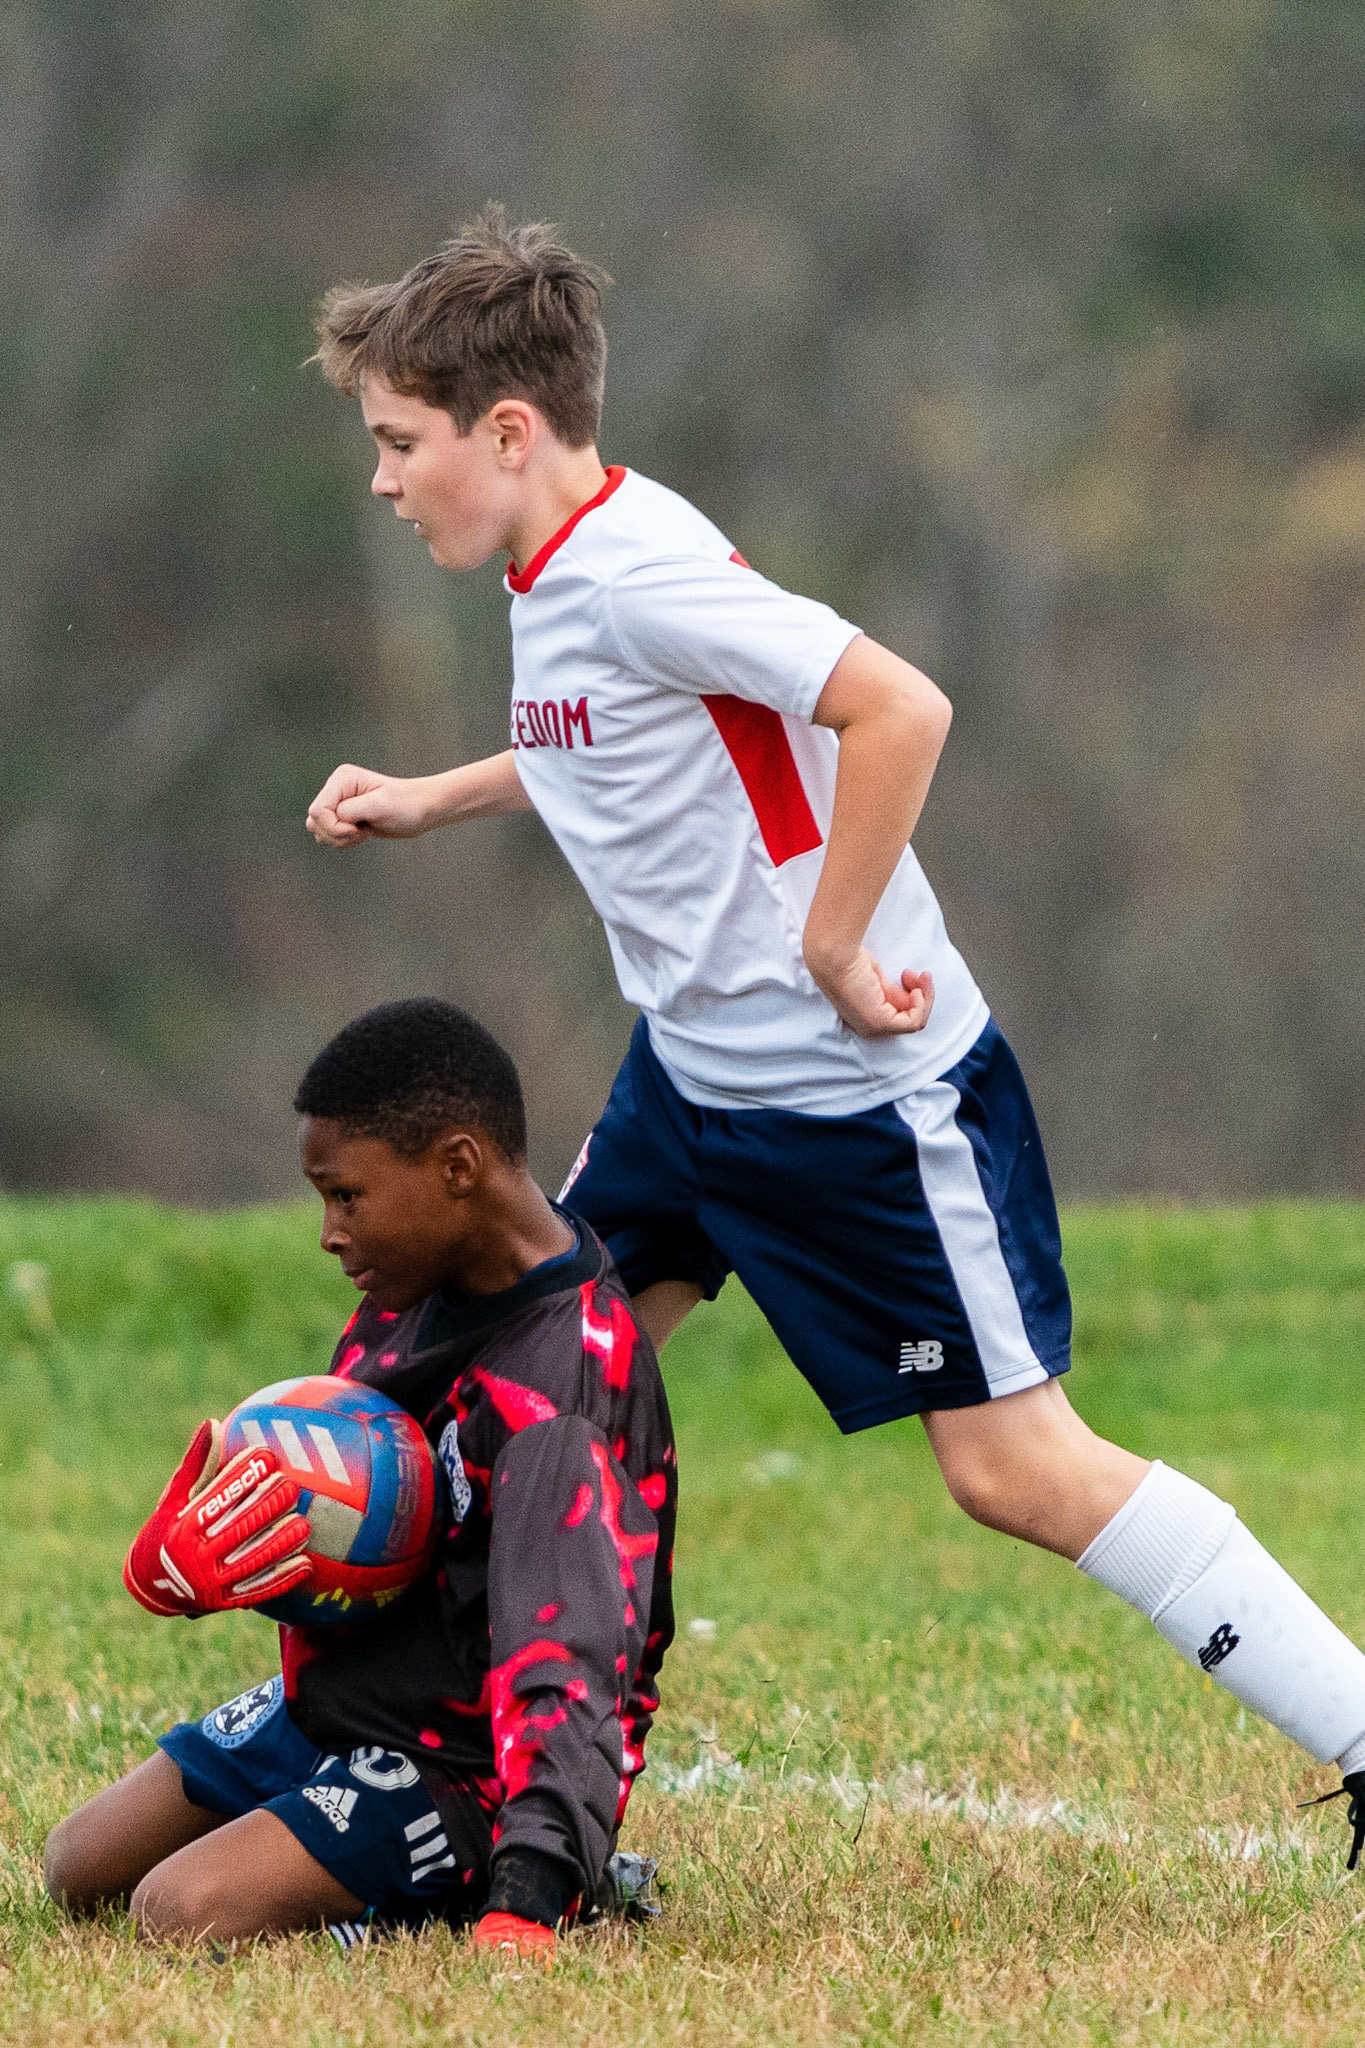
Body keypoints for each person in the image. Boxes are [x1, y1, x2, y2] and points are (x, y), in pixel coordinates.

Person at [304, 205, 1365, 1860]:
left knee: (1018, 1471)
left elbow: (898, 704)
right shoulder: (556, 557)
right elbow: (614, 736)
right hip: (688, 1086)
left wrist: (833, 934)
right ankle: (491, 1797)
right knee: (531, 1376)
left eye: (398, 442)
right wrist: (433, 791)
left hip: (858, 1106)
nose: (381, 479)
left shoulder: (636, 568)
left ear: (505, 432)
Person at [44, 998, 676, 1956]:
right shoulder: (409, 1293)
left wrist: (534, 1885)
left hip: (464, 1766)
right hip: (346, 1706)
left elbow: (572, 1663)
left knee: (178, 1913)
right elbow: (375, 1526)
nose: (329, 1233)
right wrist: (212, 1567)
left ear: (457, 1168)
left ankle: (524, 1891)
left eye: (346, 1196)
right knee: (79, 1869)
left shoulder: (565, 1391)